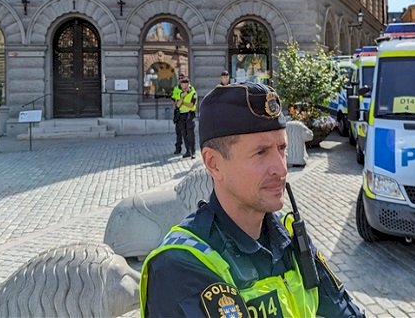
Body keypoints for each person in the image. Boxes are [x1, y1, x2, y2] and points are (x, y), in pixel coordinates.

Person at [139, 82, 365, 316]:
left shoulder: (289, 235)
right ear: (213, 163)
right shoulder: (180, 265)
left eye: (282, 148)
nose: (281, 168)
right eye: (261, 152)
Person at [175, 77, 198, 159]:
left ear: (188, 84)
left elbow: (191, 105)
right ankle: (188, 151)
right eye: (182, 84)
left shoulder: (193, 93)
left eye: (185, 85)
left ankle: (193, 152)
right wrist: (182, 97)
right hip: (181, 115)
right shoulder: (179, 93)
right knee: (184, 134)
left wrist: (183, 102)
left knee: (190, 134)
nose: (183, 86)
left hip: (189, 115)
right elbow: (177, 105)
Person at [172, 73, 186, 155]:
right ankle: (178, 148)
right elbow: (173, 99)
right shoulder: (176, 89)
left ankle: (189, 150)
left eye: (182, 78)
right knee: (178, 132)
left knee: (187, 132)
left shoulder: (188, 89)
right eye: (180, 78)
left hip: (186, 113)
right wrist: (175, 107)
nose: (181, 80)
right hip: (178, 113)